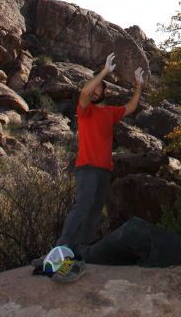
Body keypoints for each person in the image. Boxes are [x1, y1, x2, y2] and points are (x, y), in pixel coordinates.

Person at [37, 52, 147, 283]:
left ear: (105, 94)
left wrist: (138, 86)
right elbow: (85, 92)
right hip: (86, 168)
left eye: (100, 89)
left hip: (104, 170)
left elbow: (130, 107)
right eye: (95, 88)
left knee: (95, 212)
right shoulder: (85, 111)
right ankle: (59, 251)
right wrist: (104, 72)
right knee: (83, 206)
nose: (95, 91)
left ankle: (78, 253)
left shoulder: (109, 113)